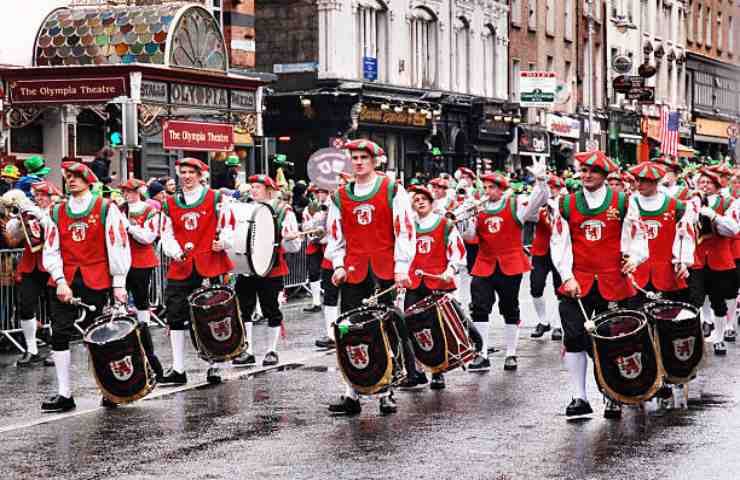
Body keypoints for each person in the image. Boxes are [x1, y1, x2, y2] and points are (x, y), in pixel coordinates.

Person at [550, 150, 647, 419]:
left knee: (612, 341)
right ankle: (579, 397)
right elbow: (559, 242)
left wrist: (634, 258)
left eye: (592, 171)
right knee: (573, 338)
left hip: (613, 281)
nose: (586, 175)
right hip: (577, 281)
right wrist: (566, 275)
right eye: (583, 171)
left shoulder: (624, 202)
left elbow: (638, 236)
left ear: (605, 175)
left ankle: (613, 394)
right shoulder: (566, 203)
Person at [326, 139, 416, 415]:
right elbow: (335, 233)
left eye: (364, 157)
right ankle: (351, 393)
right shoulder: (340, 196)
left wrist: (402, 266)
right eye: (354, 157)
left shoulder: (391, 189)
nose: (359, 162)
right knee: (350, 330)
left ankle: (386, 392)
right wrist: (338, 264)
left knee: (384, 328)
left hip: (385, 268)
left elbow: (405, 229)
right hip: (354, 270)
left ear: (375, 160)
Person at [40, 162, 131, 412]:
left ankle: (108, 389)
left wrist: (119, 283)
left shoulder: (106, 208)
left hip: (97, 278)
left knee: (101, 337)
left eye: (77, 176)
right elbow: (51, 249)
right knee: (59, 334)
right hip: (65, 279)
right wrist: (60, 280)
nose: (71, 180)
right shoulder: (56, 211)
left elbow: (118, 245)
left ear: (89, 180)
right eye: (68, 177)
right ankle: (64, 394)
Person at [462, 161, 548, 372]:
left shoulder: (514, 205)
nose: (488, 191)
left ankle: (511, 353)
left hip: (510, 264)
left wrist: (541, 180)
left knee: (510, 308)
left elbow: (539, 200)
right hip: (485, 263)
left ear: (501, 190)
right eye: (486, 187)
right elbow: (470, 236)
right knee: (479, 307)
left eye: (492, 187)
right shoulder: (479, 210)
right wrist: (464, 219)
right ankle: (481, 354)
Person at [158, 158, 235, 386]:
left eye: (192, 172)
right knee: (175, 316)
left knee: (214, 315)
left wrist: (224, 242)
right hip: (182, 264)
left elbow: (230, 226)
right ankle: (178, 368)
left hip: (210, 262)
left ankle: (215, 365)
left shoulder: (217, 198)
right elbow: (166, 234)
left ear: (201, 175)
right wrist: (175, 251)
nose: (187, 176)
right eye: (183, 172)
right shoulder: (170, 203)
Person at [231, 175, 301, 367]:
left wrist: (289, 239)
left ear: (269, 190)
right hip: (247, 267)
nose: (253, 190)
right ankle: (248, 350)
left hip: (271, 267)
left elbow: (293, 247)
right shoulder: (246, 208)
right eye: (252, 186)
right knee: (244, 309)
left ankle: (271, 350)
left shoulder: (283, 211)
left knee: (271, 309)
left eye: (257, 187)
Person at [405, 185, 466, 389]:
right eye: (416, 199)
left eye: (424, 199)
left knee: (436, 327)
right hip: (414, 282)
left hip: (437, 281)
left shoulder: (444, 225)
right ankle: (417, 371)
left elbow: (457, 250)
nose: (420, 202)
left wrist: (451, 269)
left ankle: (439, 372)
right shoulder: (408, 226)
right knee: (412, 326)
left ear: (431, 203)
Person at [6, 181, 60, 366]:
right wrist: (17, 223)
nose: (39, 199)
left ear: (51, 196)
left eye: (42, 195)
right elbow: (14, 236)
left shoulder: (59, 211)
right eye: (36, 195)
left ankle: (57, 350)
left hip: (52, 265)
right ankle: (32, 350)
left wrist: (39, 215)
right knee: (26, 305)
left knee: (55, 309)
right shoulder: (30, 212)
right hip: (31, 264)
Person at [687, 168, 740, 355]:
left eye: (709, 183)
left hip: (720, 258)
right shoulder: (691, 202)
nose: (704, 186)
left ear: (717, 187)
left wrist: (714, 216)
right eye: (701, 182)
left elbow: (733, 230)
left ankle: (719, 336)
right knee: (696, 298)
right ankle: (703, 327)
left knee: (719, 298)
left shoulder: (728, 203)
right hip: (697, 259)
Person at [628, 161, 694, 305]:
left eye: (645, 181)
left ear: (657, 182)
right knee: (635, 320)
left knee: (668, 320)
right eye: (637, 180)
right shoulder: (627, 204)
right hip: (635, 270)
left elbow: (684, 235)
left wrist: (683, 261)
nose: (639, 184)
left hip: (666, 272)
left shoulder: (676, 206)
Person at [530, 175, 565, 341]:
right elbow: (529, 214)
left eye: (555, 188)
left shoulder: (564, 205)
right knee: (536, 287)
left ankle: (558, 325)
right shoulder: (539, 205)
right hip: (540, 251)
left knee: (560, 289)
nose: (552, 191)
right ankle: (543, 321)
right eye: (549, 187)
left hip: (559, 252)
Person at [302, 186, 330, 315]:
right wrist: (315, 220)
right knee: (313, 272)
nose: (320, 195)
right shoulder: (310, 208)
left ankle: (332, 301)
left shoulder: (334, 205)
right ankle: (316, 302)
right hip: (314, 242)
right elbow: (305, 226)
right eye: (318, 192)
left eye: (323, 192)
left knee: (330, 273)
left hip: (329, 243)